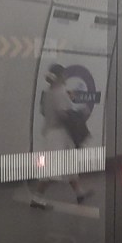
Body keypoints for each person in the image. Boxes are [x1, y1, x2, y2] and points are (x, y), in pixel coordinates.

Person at [30, 64, 92, 209]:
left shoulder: (47, 93)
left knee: (70, 165)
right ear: (59, 76)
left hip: (53, 132)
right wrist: (80, 114)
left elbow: (43, 112)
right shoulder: (60, 92)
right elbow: (63, 114)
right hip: (58, 135)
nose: (65, 77)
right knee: (52, 169)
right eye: (63, 74)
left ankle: (79, 193)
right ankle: (37, 198)